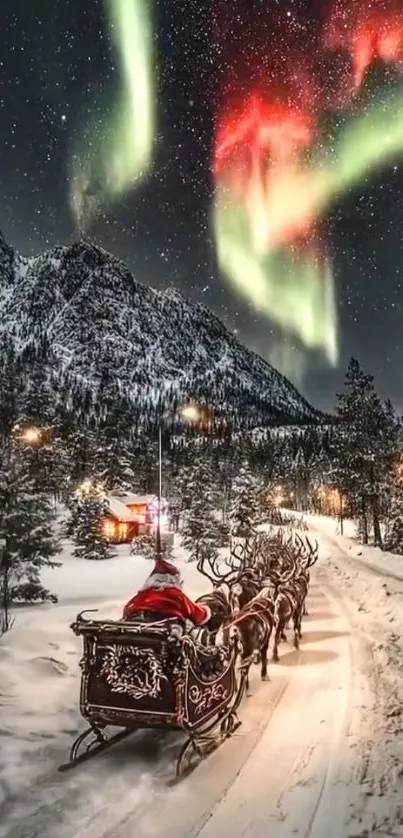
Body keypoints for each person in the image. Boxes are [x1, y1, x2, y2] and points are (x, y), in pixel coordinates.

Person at [122, 557, 212, 626]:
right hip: (164, 628)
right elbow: (197, 615)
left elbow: (127, 609)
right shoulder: (177, 595)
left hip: (136, 624)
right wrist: (206, 610)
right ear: (174, 579)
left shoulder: (142, 595)